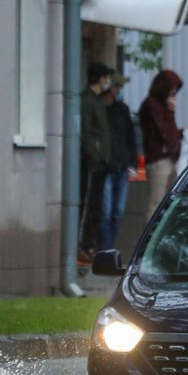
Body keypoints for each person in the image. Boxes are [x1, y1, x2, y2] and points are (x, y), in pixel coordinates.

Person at [139, 70, 188, 220]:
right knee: (156, 202)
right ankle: (149, 240)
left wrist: (183, 130)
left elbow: (170, 132)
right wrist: (170, 112)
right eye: (171, 91)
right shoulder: (152, 106)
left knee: (170, 200)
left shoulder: (161, 107)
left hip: (170, 158)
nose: (173, 95)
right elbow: (165, 133)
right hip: (159, 159)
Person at [98, 74, 138, 252]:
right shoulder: (101, 109)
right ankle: (105, 248)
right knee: (105, 212)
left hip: (121, 167)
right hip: (106, 168)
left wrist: (132, 162)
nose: (119, 90)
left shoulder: (122, 110)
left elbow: (130, 137)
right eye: (117, 87)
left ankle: (108, 247)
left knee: (117, 212)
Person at [78, 62, 112, 265]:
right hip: (91, 163)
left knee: (96, 206)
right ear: (100, 78)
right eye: (105, 77)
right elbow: (87, 134)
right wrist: (95, 156)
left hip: (99, 163)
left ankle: (89, 245)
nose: (107, 81)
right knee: (87, 204)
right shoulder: (87, 101)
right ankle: (83, 246)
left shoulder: (96, 101)